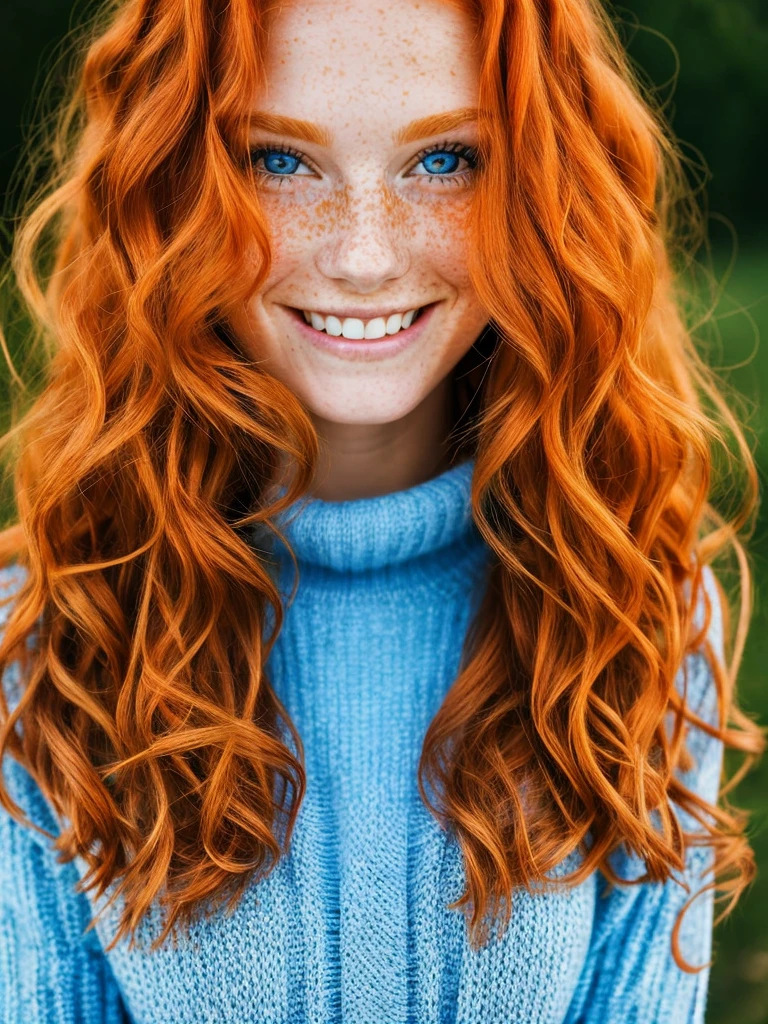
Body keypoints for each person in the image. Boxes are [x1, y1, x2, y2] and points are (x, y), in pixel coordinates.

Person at [0, 0, 762, 1021]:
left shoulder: (632, 612)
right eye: (281, 160)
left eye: (443, 161)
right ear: (173, 186)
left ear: (539, 188)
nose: (363, 256)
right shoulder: (49, 635)